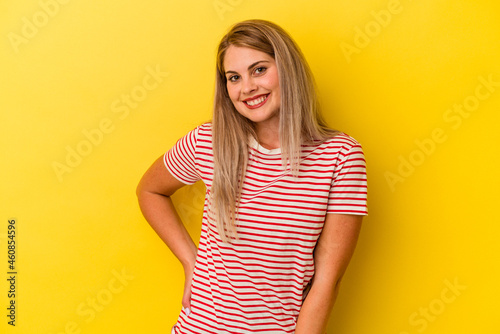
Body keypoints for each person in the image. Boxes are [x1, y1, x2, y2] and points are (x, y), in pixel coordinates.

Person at [136, 19, 367, 334]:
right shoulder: (210, 142)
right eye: (234, 77)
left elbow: (327, 281)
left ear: (288, 69)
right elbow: (150, 191)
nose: (247, 87)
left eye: (259, 70)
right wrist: (191, 262)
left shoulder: (339, 156)